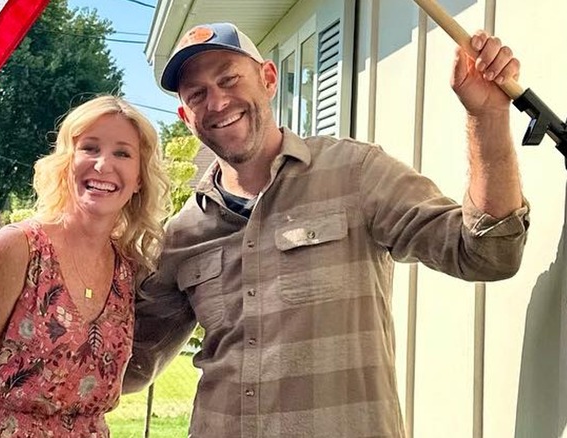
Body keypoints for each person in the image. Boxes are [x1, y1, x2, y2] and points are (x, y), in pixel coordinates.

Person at [123, 22, 529, 437]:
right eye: (197, 95)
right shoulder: (181, 235)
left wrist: (488, 117)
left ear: (267, 78)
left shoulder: (356, 173)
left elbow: (485, 253)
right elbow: (124, 364)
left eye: (229, 78)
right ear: (185, 116)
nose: (218, 101)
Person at [0, 95, 170, 437]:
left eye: (122, 153)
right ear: (67, 162)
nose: (102, 165)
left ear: (139, 178)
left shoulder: (130, 269)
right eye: (90, 148)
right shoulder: (19, 248)